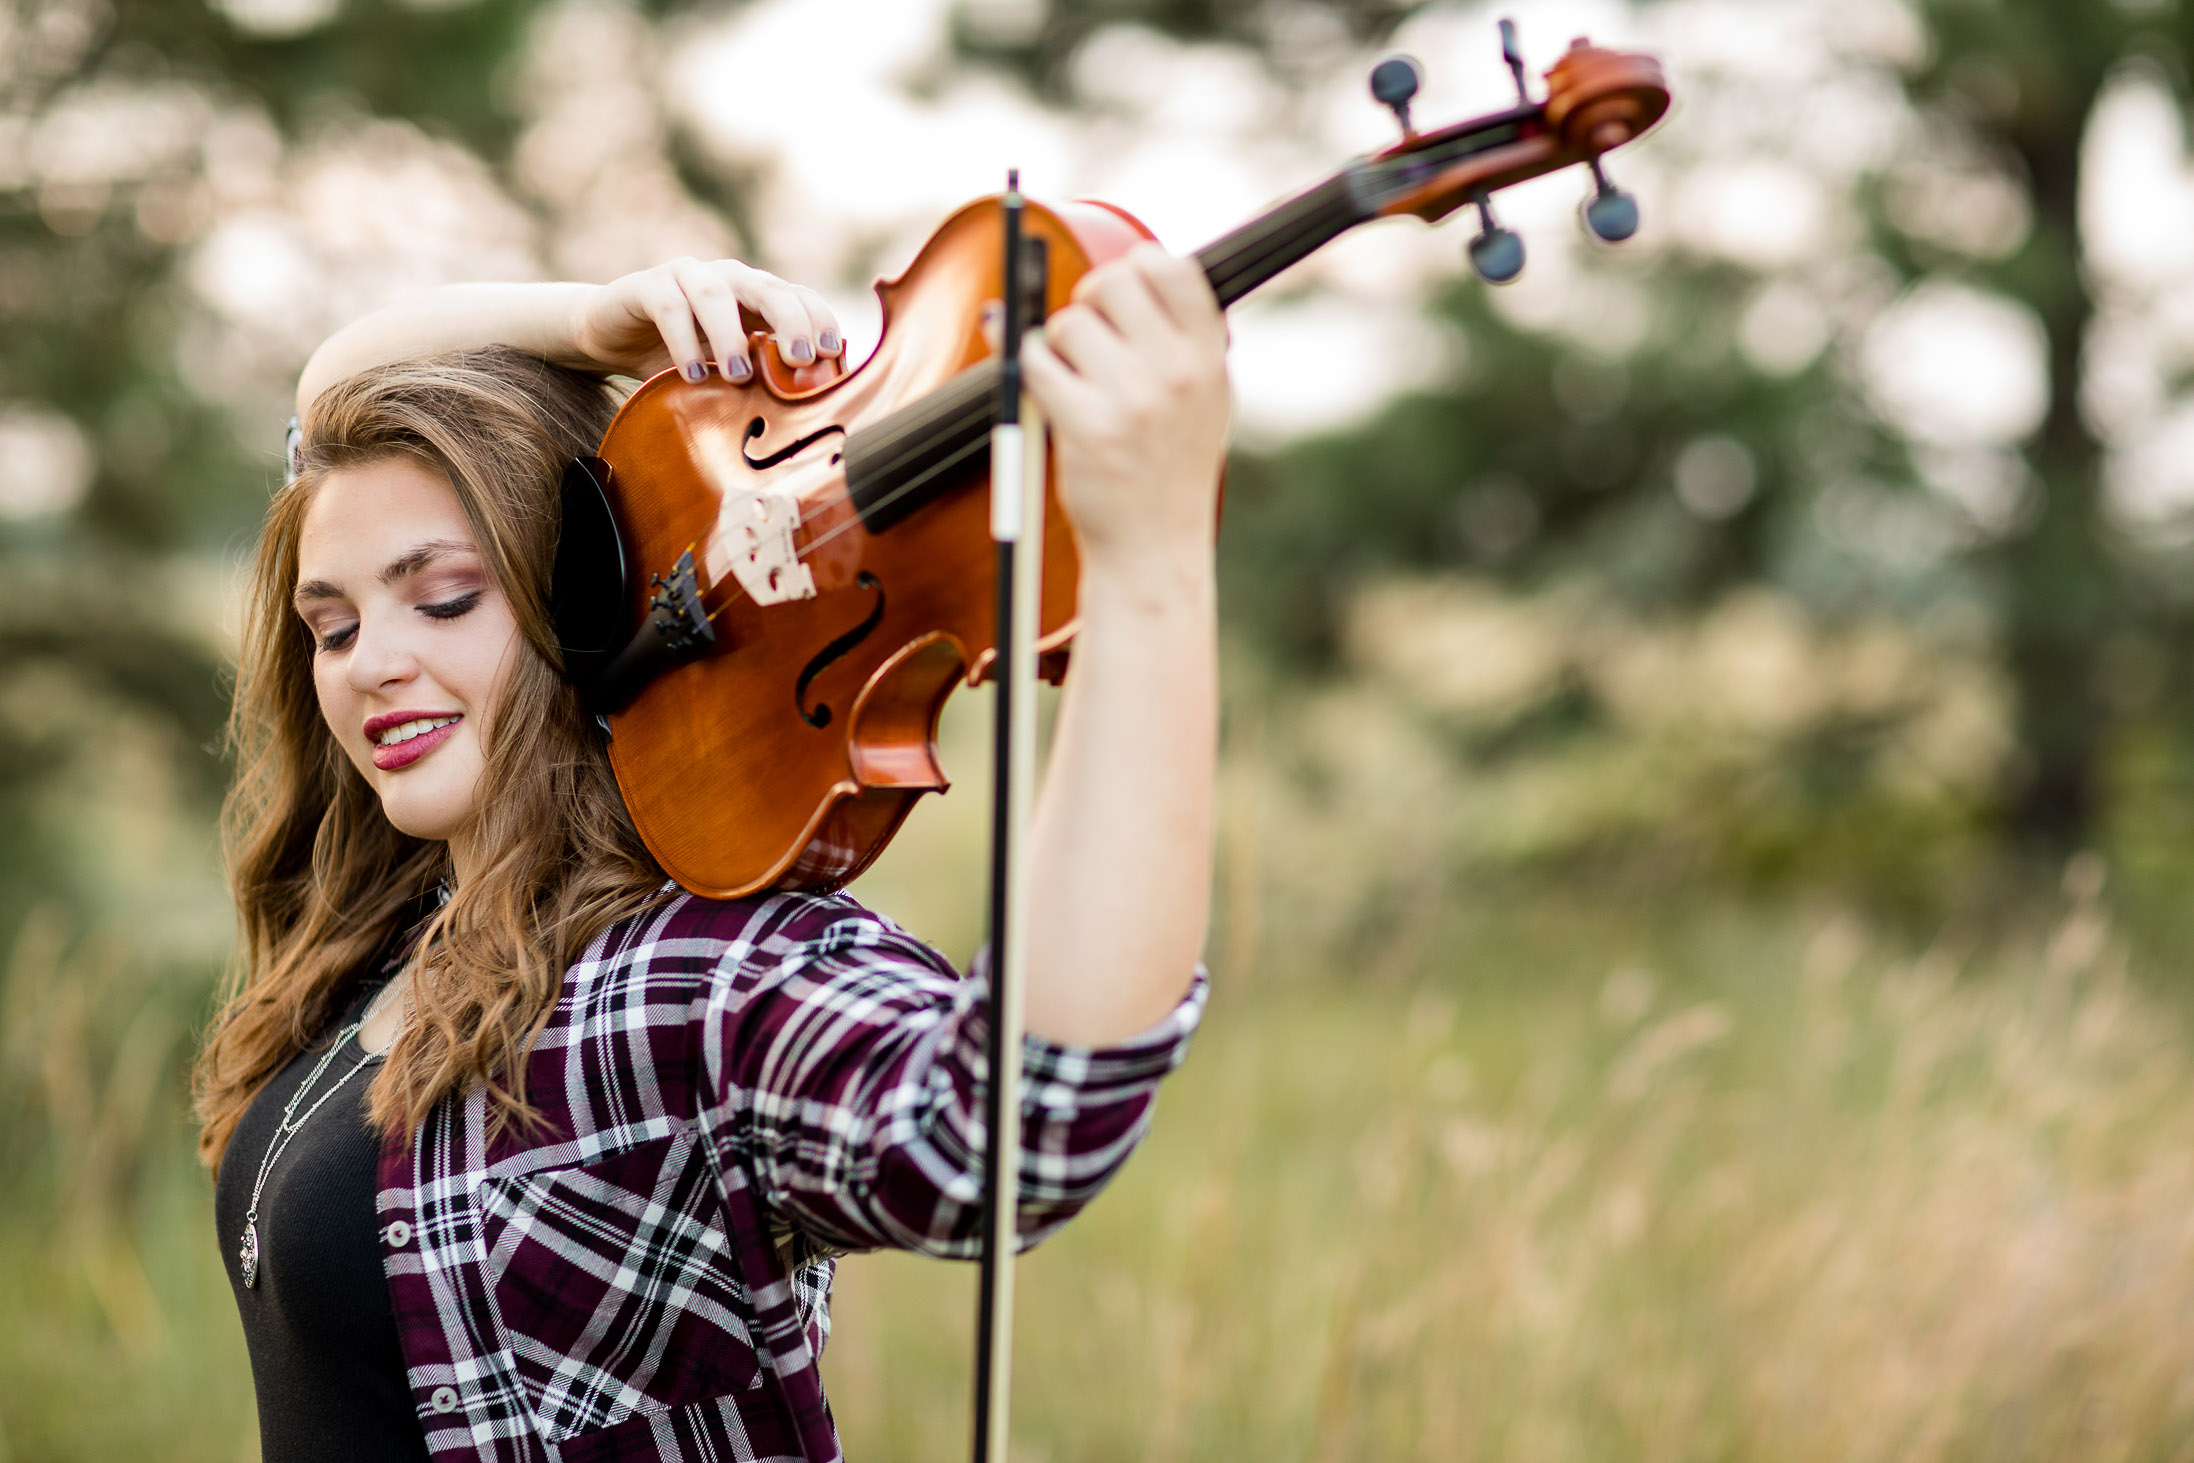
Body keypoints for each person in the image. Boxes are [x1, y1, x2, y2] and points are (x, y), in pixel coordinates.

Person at [191, 248, 1230, 1463]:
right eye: (336, 623)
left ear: (584, 597)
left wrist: (1150, 568)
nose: (370, 662)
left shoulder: (679, 972)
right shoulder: (403, 939)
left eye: (447, 598)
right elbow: (326, 400)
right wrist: (590, 323)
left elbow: (1007, 1124)